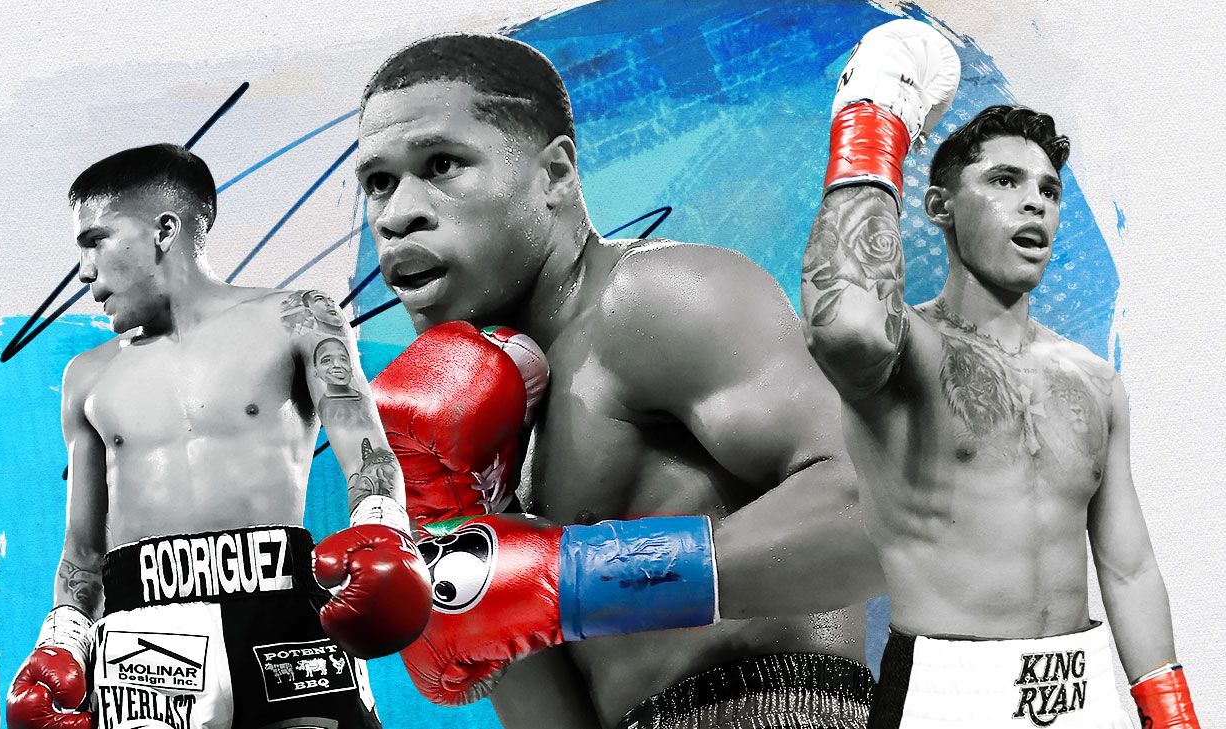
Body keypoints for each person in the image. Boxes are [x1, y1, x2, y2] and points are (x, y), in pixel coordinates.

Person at [354, 33, 887, 729]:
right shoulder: (479, 421)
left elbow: (879, 512)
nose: (397, 215)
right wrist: (468, 545)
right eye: (378, 182)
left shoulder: (654, 298)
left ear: (556, 173)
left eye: (442, 163)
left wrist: (576, 578)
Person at [799, 19, 1201, 728]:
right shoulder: (907, 352)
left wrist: (1174, 717)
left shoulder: (1095, 382)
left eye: (1049, 189)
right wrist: (873, 114)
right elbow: (848, 320)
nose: (1034, 202)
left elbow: (1129, 568)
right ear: (939, 205)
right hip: (949, 694)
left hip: (1085, 693)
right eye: (1005, 180)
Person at [4, 144, 432, 729]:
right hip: (145, 634)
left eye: (96, 241)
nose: (85, 274)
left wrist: (383, 529)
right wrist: (63, 642)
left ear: (163, 229)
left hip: (280, 605)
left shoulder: (299, 316)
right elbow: (83, 550)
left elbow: (366, 446)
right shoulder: (88, 376)